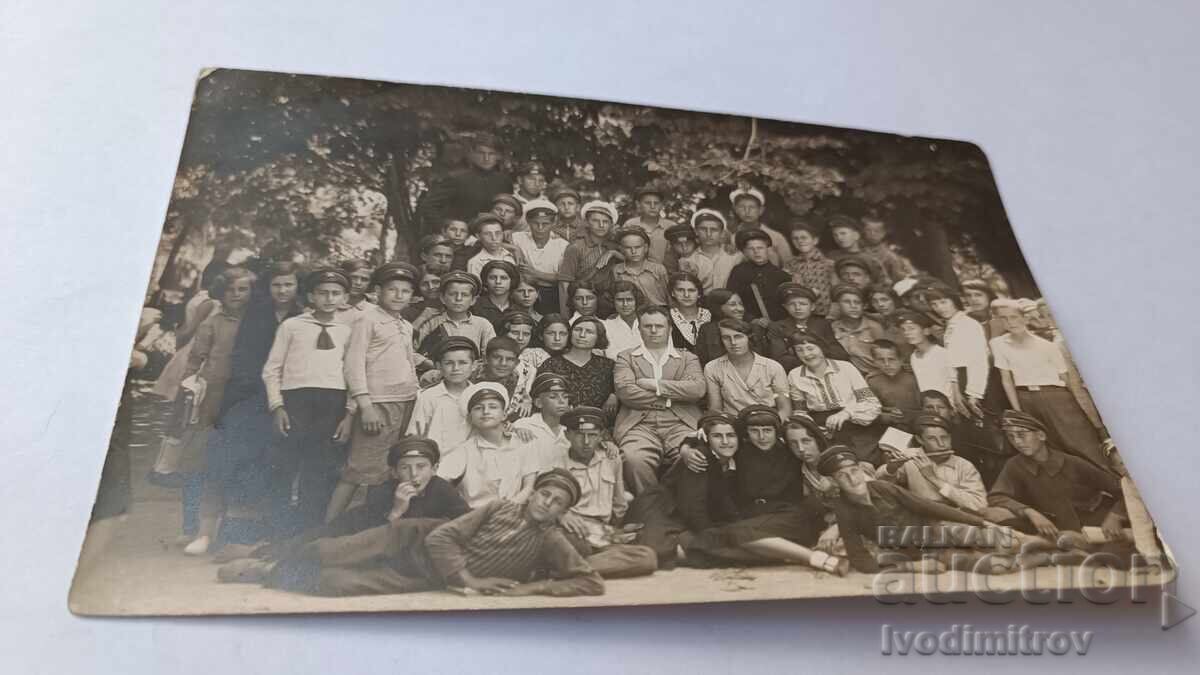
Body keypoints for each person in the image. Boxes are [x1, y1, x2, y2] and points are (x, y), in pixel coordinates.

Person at [223, 469, 605, 598]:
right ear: (534, 492)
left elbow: (590, 583)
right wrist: (468, 578)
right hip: (414, 537)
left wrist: (531, 589)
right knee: (332, 551)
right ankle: (267, 559)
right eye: (545, 494)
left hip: (429, 573)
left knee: (338, 583)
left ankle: (269, 575)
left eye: (558, 503)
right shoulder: (498, 507)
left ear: (563, 511)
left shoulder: (551, 538)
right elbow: (441, 539)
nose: (547, 504)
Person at [217, 436, 470, 569]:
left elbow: (466, 518)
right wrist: (396, 510)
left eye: (421, 467)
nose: (414, 475)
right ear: (394, 472)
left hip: (388, 546)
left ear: (435, 468)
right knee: (314, 542)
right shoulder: (383, 490)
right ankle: (256, 552)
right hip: (354, 530)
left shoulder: (442, 489)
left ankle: (262, 553)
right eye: (406, 468)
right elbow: (373, 535)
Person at [191, 262, 304, 544]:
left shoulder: (302, 315)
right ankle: (221, 530)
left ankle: (269, 528)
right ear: (268, 288)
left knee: (275, 461)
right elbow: (243, 357)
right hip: (249, 394)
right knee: (233, 457)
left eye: (288, 284)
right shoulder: (255, 314)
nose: (282, 290)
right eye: (276, 284)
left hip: (288, 396)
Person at [654, 408, 845, 573]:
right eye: (755, 431)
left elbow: (861, 496)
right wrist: (686, 447)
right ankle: (795, 556)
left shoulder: (794, 452)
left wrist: (835, 526)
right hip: (758, 519)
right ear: (746, 433)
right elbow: (712, 434)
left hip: (793, 516)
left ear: (776, 433)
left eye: (768, 431)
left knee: (731, 535)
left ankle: (813, 558)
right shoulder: (741, 449)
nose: (762, 437)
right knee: (731, 536)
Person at [325, 262, 426, 524]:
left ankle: (369, 528)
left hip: (405, 401)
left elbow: (405, 361)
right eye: (392, 289)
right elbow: (353, 363)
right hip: (378, 402)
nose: (399, 295)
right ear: (377, 291)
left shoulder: (405, 324)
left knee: (386, 470)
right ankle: (326, 529)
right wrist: (364, 404)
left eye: (405, 290)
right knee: (359, 468)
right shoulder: (367, 319)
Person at [261, 268, 355, 537]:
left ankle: (308, 532)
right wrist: (277, 406)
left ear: (345, 297)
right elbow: (272, 369)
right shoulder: (292, 326)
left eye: (336, 293)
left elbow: (355, 373)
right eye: (323, 293)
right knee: (284, 465)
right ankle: (277, 531)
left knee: (322, 467)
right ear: (311, 296)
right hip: (295, 401)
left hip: (332, 402)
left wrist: (349, 414)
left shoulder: (349, 330)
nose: (329, 298)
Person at [818, 446, 1006, 574]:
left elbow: (927, 506)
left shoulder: (883, 488)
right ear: (834, 482)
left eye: (853, 471)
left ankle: (1031, 545)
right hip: (924, 553)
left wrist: (980, 522)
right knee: (996, 566)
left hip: (940, 530)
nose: (852, 479)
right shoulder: (844, 511)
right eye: (842, 476)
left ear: (860, 469)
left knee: (1005, 540)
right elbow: (860, 560)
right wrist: (913, 567)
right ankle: (1034, 556)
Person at [178, 267, 256, 554]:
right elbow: (194, 361)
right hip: (213, 397)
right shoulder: (212, 323)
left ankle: (231, 530)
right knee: (203, 461)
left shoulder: (257, 321)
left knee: (239, 461)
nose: (236, 295)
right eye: (230, 290)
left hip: (244, 397)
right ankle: (198, 529)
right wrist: (187, 393)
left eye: (243, 289)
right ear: (221, 293)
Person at [987, 411, 1130, 561]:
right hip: (1053, 526)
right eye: (1011, 437)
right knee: (992, 515)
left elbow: (1123, 489)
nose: (1017, 442)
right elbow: (997, 496)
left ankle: (1066, 549)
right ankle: (1063, 548)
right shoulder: (1014, 465)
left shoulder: (1073, 463)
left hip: (1093, 522)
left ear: (1041, 436)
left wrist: (1115, 516)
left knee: (1114, 556)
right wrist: (1029, 512)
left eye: (1022, 435)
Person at [989, 299, 1107, 468]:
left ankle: (1111, 482)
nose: (1009, 322)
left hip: (1056, 396)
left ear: (1025, 318)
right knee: (1052, 446)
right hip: (1025, 398)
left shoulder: (1048, 346)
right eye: (1004, 318)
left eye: (1014, 317)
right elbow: (1006, 379)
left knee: (1079, 441)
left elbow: (1066, 379)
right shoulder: (998, 344)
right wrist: (1018, 410)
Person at [615, 305, 706, 494]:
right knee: (633, 459)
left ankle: (674, 500)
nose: (654, 331)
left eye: (659, 326)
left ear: (669, 329)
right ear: (639, 329)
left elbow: (697, 389)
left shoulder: (687, 357)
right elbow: (625, 391)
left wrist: (654, 384)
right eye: (648, 326)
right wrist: (669, 398)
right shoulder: (626, 357)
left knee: (694, 455)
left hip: (681, 422)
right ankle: (651, 507)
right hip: (640, 424)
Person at [786, 332, 882, 463]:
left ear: (821, 348)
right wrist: (813, 428)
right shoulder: (795, 375)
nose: (806, 354)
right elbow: (800, 411)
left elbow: (871, 402)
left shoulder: (846, 368)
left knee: (865, 461)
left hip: (855, 424)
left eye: (810, 348)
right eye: (800, 350)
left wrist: (846, 413)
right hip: (822, 430)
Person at [440, 383, 538, 508]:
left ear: (504, 415)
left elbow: (529, 487)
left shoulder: (523, 442)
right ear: (470, 418)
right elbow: (439, 481)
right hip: (476, 516)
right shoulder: (465, 451)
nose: (486, 412)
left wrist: (508, 509)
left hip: (514, 512)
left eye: (493, 407)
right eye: (478, 408)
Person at [875, 414, 987, 514]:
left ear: (950, 437)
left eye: (944, 438)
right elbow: (881, 488)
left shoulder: (964, 466)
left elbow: (980, 506)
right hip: (920, 517)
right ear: (920, 440)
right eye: (932, 439)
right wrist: (891, 469)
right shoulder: (910, 456)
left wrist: (934, 479)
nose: (941, 444)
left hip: (954, 517)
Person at [407, 336, 479, 476]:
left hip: (472, 465)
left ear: (474, 365)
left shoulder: (479, 394)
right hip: (437, 465)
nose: (456, 368)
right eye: (449, 363)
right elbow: (416, 433)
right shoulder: (429, 396)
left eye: (463, 362)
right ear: (439, 366)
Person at [418, 132, 511, 234]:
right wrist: (445, 230)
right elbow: (428, 206)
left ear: (498, 156)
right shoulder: (457, 179)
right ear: (472, 154)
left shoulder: (504, 182)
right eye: (481, 153)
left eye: (491, 154)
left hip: (493, 239)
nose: (486, 158)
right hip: (462, 240)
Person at [704, 318, 791, 419]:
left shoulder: (772, 366)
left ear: (749, 338)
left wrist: (773, 426)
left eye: (738, 337)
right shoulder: (712, 367)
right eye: (726, 338)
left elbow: (785, 409)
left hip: (769, 422)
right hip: (734, 423)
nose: (733, 342)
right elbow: (716, 409)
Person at [925, 284, 989, 420]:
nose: (939, 308)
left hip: (976, 381)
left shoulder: (968, 324)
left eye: (943, 302)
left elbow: (979, 361)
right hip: (961, 379)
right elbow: (952, 361)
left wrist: (974, 394)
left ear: (954, 300)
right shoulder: (951, 325)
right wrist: (955, 389)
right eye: (934, 304)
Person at [536, 316, 617, 413]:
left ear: (598, 337)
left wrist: (615, 396)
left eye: (589, 332)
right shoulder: (551, 364)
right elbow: (540, 396)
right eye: (577, 330)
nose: (582, 335)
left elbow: (623, 388)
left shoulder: (608, 365)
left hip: (601, 423)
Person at [558, 200, 621, 316]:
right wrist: (565, 315)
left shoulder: (614, 247)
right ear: (586, 222)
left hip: (608, 306)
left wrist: (614, 253)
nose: (601, 225)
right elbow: (564, 283)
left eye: (606, 222)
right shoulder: (576, 247)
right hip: (582, 302)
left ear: (611, 224)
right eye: (595, 221)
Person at [764, 282, 845, 371]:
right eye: (792, 304)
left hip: (826, 369)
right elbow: (780, 359)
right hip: (795, 372)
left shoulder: (823, 324)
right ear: (785, 307)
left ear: (812, 307)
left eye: (803, 304)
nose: (797, 308)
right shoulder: (777, 327)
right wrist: (814, 358)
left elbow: (839, 353)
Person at [415, 270, 496, 357]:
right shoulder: (432, 323)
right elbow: (412, 351)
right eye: (452, 294)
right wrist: (429, 364)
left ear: (473, 300)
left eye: (464, 295)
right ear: (442, 298)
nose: (458, 298)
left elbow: (491, 355)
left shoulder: (483, 325)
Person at [511, 198, 567, 315]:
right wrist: (515, 249)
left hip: (551, 294)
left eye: (545, 224)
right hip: (524, 293)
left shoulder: (562, 245)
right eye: (535, 223)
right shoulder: (517, 238)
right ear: (528, 221)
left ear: (553, 223)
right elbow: (496, 244)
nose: (540, 228)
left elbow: (563, 277)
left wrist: (535, 273)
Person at [727, 229, 790, 323]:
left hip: (777, 325)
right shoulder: (739, 272)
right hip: (748, 324)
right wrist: (752, 319)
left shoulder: (781, 275)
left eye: (760, 248)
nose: (756, 252)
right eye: (751, 249)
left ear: (768, 249)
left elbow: (787, 305)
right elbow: (730, 300)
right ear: (745, 252)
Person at [512, 373, 572, 470]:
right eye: (553, 397)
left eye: (565, 396)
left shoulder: (571, 431)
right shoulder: (524, 425)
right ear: (538, 403)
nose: (562, 401)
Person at [695, 289, 765, 366]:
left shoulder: (753, 328)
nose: (740, 309)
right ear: (718, 307)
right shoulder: (708, 330)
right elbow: (703, 360)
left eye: (741, 304)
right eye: (733, 304)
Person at [897, 309, 956, 400]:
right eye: (903, 330)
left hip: (949, 404)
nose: (907, 333)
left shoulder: (942, 353)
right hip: (929, 405)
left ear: (926, 331)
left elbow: (954, 382)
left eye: (911, 328)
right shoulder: (914, 357)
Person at [783, 219, 837, 317]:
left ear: (815, 240)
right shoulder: (790, 265)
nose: (800, 241)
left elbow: (836, 293)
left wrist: (831, 315)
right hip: (799, 315)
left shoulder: (829, 264)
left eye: (804, 237)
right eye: (795, 238)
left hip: (825, 315)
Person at [829, 284, 887, 375]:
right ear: (838, 305)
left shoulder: (874, 327)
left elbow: (886, 356)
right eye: (847, 302)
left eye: (857, 302)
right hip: (844, 376)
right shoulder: (833, 328)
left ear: (864, 306)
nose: (853, 306)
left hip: (872, 376)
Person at [728, 186, 792, 267]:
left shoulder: (776, 237)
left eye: (752, 207)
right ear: (736, 210)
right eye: (742, 207)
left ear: (761, 210)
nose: (747, 212)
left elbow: (789, 266)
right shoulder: (732, 238)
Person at [866, 340, 922, 431]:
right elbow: (868, 410)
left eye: (891, 359)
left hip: (917, 425)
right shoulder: (872, 381)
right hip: (890, 427)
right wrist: (887, 416)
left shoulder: (913, 378)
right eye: (881, 360)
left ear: (901, 360)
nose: (887, 364)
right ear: (874, 362)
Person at [608, 226, 669, 307]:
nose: (633, 251)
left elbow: (669, 296)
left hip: (658, 312)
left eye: (637, 247)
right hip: (631, 312)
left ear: (646, 248)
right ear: (621, 249)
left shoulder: (658, 269)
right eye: (628, 248)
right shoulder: (616, 270)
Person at [622, 184, 676, 265]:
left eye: (656, 203)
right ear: (638, 204)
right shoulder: (630, 225)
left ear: (661, 205)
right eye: (647, 203)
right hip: (634, 273)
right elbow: (623, 251)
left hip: (663, 274)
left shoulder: (671, 226)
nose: (652, 206)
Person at [827, 215, 889, 284]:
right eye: (835, 235)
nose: (839, 238)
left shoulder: (870, 259)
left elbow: (884, 283)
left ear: (856, 235)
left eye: (843, 233)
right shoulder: (831, 256)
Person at [690, 209, 742, 290]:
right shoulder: (690, 259)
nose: (708, 234)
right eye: (703, 229)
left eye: (714, 230)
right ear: (696, 231)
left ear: (722, 233)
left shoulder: (735, 256)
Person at [476, 336, 523, 420]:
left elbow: (507, 407)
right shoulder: (471, 373)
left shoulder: (514, 378)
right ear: (486, 359)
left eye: (510, 359)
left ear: (516, 363)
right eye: (497, 357)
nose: (503, 363)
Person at [859, 214, 911, 285]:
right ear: (863, 231)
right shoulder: (858, 249)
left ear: (883, 233)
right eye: (868, 230)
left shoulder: (889, 256)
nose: (872, 234)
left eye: (877, 231)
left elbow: (897, 278)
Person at [666, 271, 709, 353]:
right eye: (680, 290)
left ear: (699, 293)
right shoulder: (666, 316)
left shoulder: (711, 315)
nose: (686, 295)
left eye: (691, 290)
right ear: (672, 293)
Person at [466, 213, 519, 279]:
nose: (494, 238)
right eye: (487, 234)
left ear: (503, 234)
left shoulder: (512, 255)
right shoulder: (475, 262)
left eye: (498, 233)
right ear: (478, 236)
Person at [472, 259, 517, 331]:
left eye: (503, 278)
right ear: (485, 281)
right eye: (492, 278)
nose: (498, 282)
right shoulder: (474, 306)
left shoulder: (518, 307)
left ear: (512, 281)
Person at [665, 223, 714, 290]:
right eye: (679, 244)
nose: (684, 247)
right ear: (672, 245)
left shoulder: (704, 262)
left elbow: (706, 286)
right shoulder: (670, 261)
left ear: (695, 242)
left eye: (688, 243)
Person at [602, 281, 643, 360]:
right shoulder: (607, 326)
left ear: (636, 301)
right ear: (613, 302)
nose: (625, 304)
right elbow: (611, 354)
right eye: (620, 300)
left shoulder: (647, 322)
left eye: (629, 300)